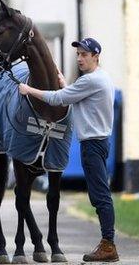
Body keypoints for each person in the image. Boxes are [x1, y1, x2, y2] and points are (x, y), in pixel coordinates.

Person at [18, 37, 118, 262]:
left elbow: (59, 99)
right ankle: (107, 243)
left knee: (100, 195)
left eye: (84, 54)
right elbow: (76, 96)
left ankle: (108, 245)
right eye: (78, 55)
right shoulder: (101, 78)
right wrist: (66, 84)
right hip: (99, 142)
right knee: (99, 194)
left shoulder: (91, 80)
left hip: (92, 145)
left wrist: (28, 90)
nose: (80, 58)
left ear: (96, 56)